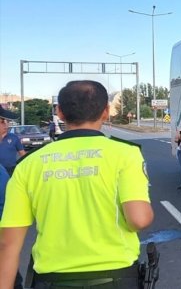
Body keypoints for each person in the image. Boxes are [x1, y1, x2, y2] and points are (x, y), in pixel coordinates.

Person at [0, 80, 154, 288]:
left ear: (60, 112)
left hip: (52, 280)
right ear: (106, 112)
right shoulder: (125, 154)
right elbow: (139, 220)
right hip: (115, 277)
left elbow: (7, 245)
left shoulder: (29, 164)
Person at [0, 107, 26, 177]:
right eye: (2, 122)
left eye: (7, 122)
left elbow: (23, 154)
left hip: (11, 170)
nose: (6, 125)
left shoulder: (14, 137)